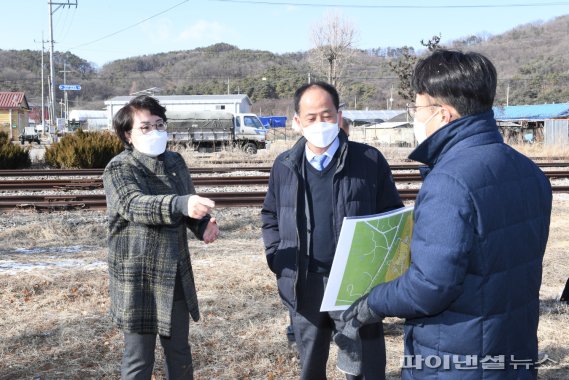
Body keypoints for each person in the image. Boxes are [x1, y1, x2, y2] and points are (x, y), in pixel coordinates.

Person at [338, 49, 552, 379]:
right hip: (511, 348)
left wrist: (373, 301)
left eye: (417, 107)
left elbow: (429, 287)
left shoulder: (449, 182)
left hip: (454, 359)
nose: (413, 115)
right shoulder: (530, 171)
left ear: (443, 113)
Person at [261, 81, 403, 380]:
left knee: (366, 364)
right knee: (311, 364)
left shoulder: (368, 160)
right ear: (297, 122)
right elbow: (270, 215)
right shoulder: (284, 165)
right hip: (304, 281)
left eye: (326, 115)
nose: (319, 123)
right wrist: (276, 257)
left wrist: (379, 270)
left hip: (356, 282)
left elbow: (391, 215)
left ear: (339, 116)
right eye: (310, 118)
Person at [102, 95, 219, 380]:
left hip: (174, 270)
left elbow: (188, 206)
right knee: (139, 358)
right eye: (145, 127)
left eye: (159, 124)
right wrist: (182, 204)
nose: (155, 132)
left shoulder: (175, 161)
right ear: (128, 135)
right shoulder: (119, 168)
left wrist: (202, 225)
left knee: (179, 352)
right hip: (137, 275)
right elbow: (134, 205)